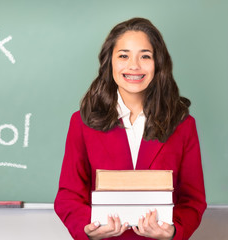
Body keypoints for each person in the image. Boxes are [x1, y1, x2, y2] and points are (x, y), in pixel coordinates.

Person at [54, 17, 206, 240]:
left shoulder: (182, 125)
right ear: (110, 63)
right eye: (123, 55)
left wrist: (174, 231)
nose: (134, 66)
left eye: (145, 56)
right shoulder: (82, 122)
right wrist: (88, 228)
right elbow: (68, 195)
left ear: (158, 63)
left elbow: (193, 200)